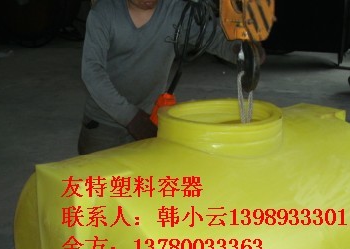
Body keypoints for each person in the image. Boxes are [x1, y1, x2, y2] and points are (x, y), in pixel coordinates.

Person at [77, 0, 251, 155]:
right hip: (103, 123)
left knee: (146, 179)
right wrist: (130, 117)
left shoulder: (176, 12)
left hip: (151, 119)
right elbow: (92, 72)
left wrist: (243, 53)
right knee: (99, 179)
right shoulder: (103, 14)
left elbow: (213, 39)